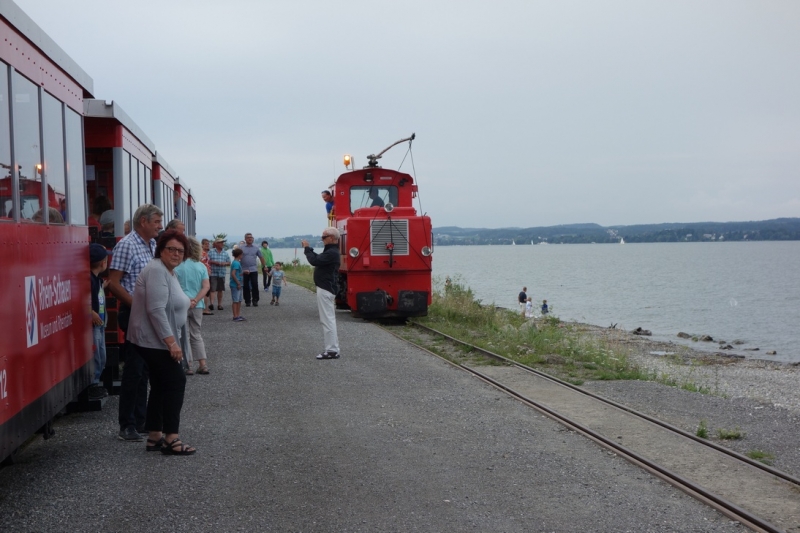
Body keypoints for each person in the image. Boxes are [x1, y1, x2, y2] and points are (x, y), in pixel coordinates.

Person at [127, 229, 196, 456]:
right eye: (171, 249)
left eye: (180, 250)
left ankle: (155, 435)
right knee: (176, 381)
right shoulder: (157, 270)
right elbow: (156, 310)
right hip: (152, 340)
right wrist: (172, 344)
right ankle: (171, 438)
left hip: (155, 340)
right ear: (161, 249)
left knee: (159, 384)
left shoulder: (168, 271)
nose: (176, 254)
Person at [108, 203, 163, 442]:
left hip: (149, 314)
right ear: (144, 222)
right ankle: (127, 424)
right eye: (157, 222)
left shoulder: (151, 245)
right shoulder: (127, 246)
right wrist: (137, 306)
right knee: (133, 370)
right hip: (133, 314)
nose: (160, 227)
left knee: (144, 371)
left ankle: (140, 422)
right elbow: (113, 283)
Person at [302, 228, 341, 360]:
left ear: (331, 238)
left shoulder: (332, 253)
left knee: (327, 320)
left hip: (326, 288)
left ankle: (332, 350)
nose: (322, 239)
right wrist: (310, 250)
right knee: (328, 319)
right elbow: (318, 258)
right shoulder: (331, 252)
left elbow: (315, 261)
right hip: (326, 287)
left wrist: (307, 248)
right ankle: (333, 349)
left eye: (324, 237)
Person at [175, 237, 211, 375]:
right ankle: (203, 364)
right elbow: (206, 286)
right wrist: (196, 300)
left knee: (184, 335)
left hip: (181, 304)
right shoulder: (201, 266)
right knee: (196, 334)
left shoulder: (177, 266)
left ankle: (188, 364)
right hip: (198, 304)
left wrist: (187, 299)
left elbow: (175, 287)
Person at [89, 243, 110, 400]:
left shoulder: (96, 279)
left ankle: (96, 381)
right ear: (103, 262)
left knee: (101, 354)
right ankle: (93, 383)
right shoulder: (90, 279)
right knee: (98, 355)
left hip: (100, 323)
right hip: (96, 323)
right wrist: (91, 312)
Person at [239, 232, 264, 307]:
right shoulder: (241, 248)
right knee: (245, 285)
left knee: (254, 284)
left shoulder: (256, 247)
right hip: (244, 269)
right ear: (245, 239)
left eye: (251, 237)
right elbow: (237, 257)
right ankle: (247, 301)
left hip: (253, 269)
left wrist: (264, 266)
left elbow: (261, 257)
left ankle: (255, 300)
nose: (250, 239)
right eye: (248, 237)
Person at [207, 238, 230, 311]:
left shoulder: (225, 253)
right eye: (220, 243)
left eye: (222, 242)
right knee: (213, 289)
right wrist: (215, 262)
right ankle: (212, 304)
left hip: (221, 273)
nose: (222, 244)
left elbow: (229, 262)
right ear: (216, 244)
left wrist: (225, 263)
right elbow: (207, 260)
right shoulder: (211, 252)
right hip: (213, 273)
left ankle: (220, 304)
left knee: (220, 289)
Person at [230, 248, 245, 321]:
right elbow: (233, 274)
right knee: (235, 300)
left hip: (240, 283)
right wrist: (238, 283)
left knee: (239, 300)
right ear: (239, 255)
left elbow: (237, 273)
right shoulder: (236, 263)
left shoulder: (237, 262)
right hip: (236, 284)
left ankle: (238, 315)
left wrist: (244, 272)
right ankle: (235, 315)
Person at [200, 239, 213, 315]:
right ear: (202, 245)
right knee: (205, 291)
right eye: (206, 244)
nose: (207, 245)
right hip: (204, 274)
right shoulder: (202, 253)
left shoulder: (206, 253)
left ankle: (205, 307)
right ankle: (204, 308)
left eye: (208, 244)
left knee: (207, 291)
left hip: (207, 273)